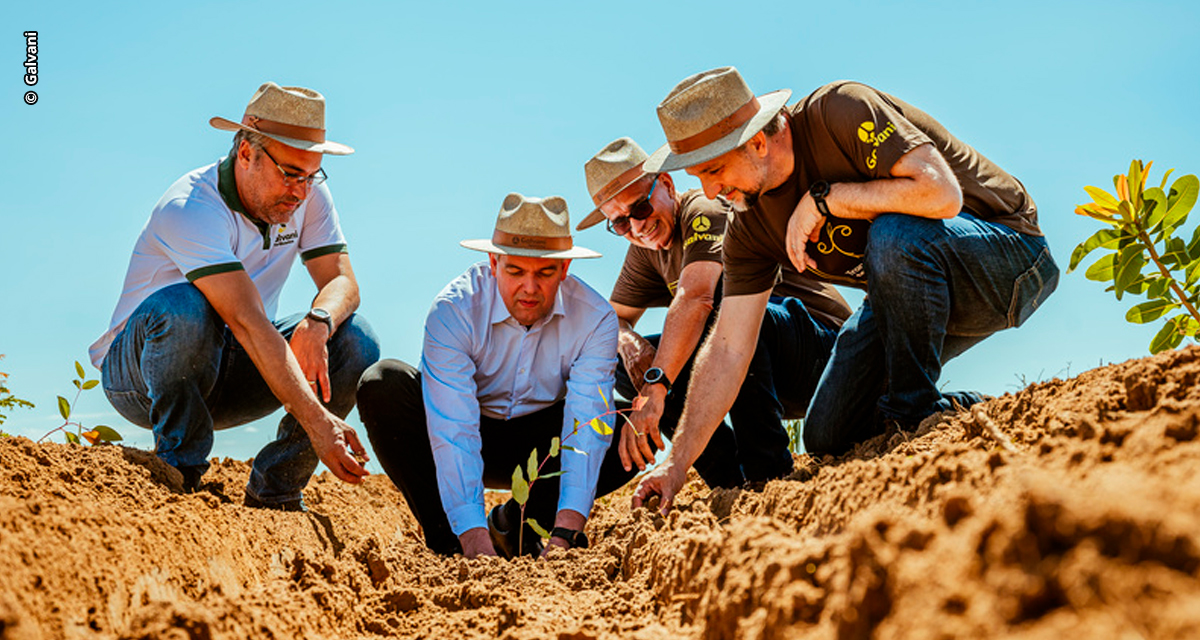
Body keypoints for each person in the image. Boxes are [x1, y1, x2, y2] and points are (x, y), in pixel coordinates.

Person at [632, 67, 1059, 511]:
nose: (709, 190)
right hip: (910, 296)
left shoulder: (841, 110)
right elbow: (728, 349)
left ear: (757, 141)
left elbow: (940, 195)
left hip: (1011, 259)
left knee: (893, 235)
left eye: (714, 170)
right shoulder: (748, 228)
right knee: (828, 433)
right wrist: (676, 464)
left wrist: (828, 200)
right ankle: (962, 409)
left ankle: (914, 413)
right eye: (698, 176)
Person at [90, 82, 380, 511]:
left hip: (238, 363)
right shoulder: (190, 208)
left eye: (311, 174)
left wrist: (318, 321)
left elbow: (343, 281)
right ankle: (179, 474)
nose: (301, 191)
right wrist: (320, 423)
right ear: (246, 152)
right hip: (143, 376)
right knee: (187, 308)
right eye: (290, 174)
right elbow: (247, 320)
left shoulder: (307, 195)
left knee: (356, 337)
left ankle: (276, 492)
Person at [357, 193, 636, 559]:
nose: (530, 289)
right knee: (383, 383)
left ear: (566, 268)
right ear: (493, 262)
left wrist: (566, 533)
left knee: (624, 425)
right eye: (516, 271)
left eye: (545, 273)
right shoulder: (454, 310)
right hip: (470, 430)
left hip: (541, 444)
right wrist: (473, 541)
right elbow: (454, 430)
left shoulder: (596, 318)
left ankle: (516, 527)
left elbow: (587, 428)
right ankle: (449, 545)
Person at [577, 137, 850, 488]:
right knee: (621, 365)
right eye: (619, 224)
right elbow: (610, 320)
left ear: (666, 184)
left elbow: (697, 298)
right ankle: (727, 479)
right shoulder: (645, 249)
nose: (637, 227)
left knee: (729, 316)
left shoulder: (705, 208)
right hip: (757, 369)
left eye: (640, 209)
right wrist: (631, 345)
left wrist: (655, 387)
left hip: (825, 356)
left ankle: (768, 473)